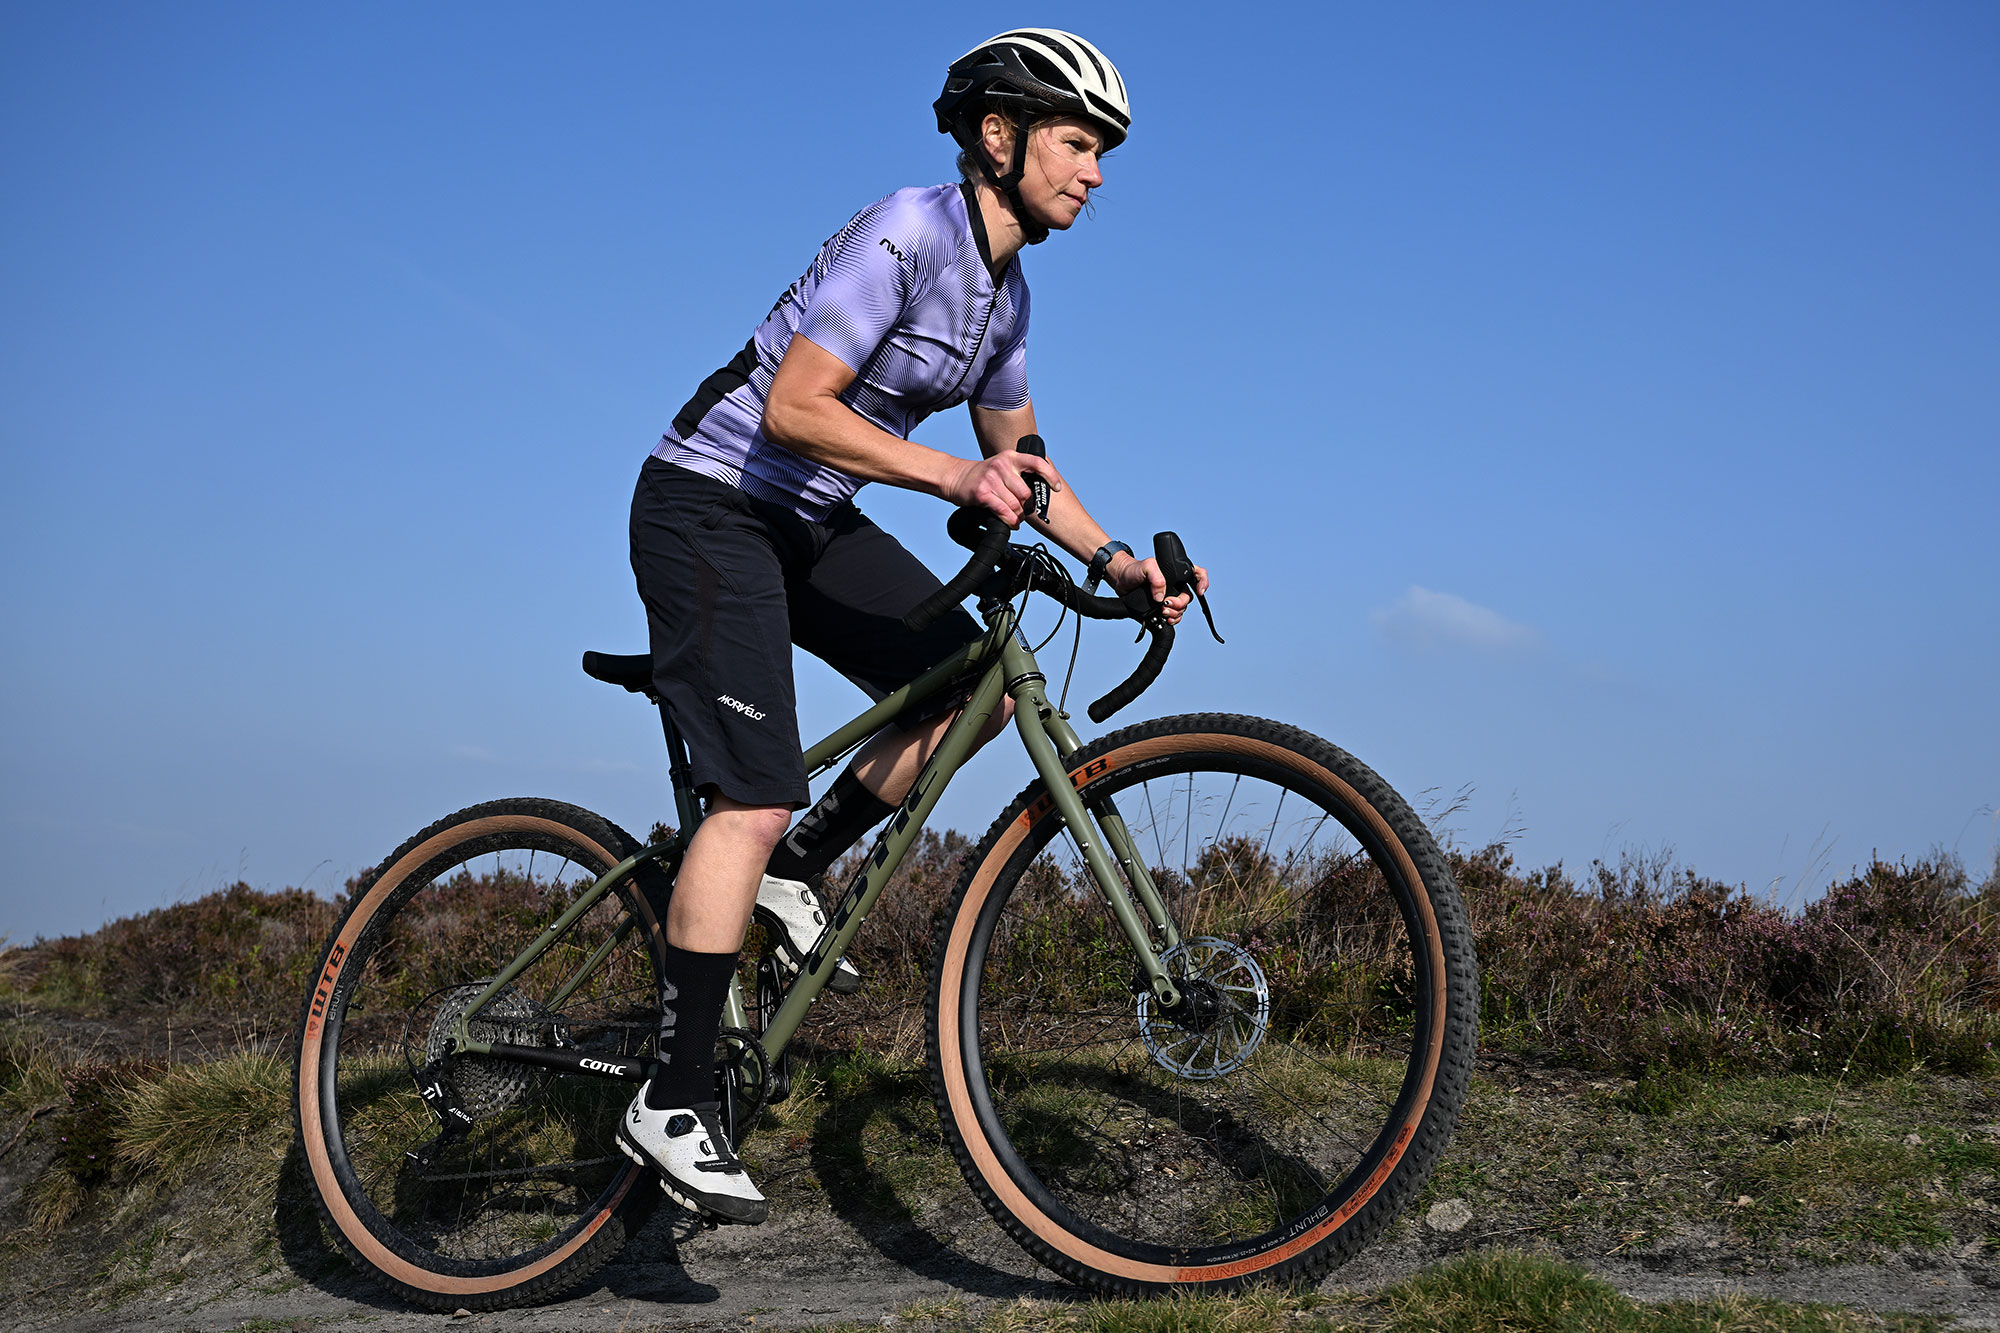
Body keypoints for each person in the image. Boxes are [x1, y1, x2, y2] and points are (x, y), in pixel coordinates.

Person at [617, 28, 1208, 1226]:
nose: (1094, 172)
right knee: (752, 789)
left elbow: (1021, 461)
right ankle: (670, 1096)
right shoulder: (910, 231)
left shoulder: (1006, 294)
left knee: (966, 684)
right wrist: (948, 480)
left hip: (811, 515)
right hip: (709, 503)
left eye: (1102, 153)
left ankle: (786, 874)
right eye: (1077, 143)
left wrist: (1116, 559)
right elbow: (792, 407)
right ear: (999, 137)